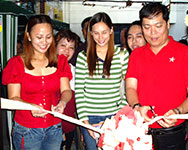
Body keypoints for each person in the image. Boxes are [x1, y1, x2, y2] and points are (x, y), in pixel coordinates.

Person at [125, 2, 188, 150]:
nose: (153, 33)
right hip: (141, 130)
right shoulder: (137, 55)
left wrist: (178, 111)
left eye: (158, 26)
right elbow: (131, 87)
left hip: (172, 132)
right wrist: (137, 107)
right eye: (147, 27)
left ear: (168, 24)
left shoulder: (185, 54)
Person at [2, 15, 72, 150]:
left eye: (48, 37)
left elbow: (66, 91)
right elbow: (13, 98)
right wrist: (29, 106)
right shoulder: (16, 63)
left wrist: (62, 103)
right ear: (28, 36)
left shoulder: (61, 61)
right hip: (27, 130)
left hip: (54, 128)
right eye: (39, 37)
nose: (44, 42)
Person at [75, 12, 129, 150]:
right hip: (90, 117)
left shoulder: (122, 55)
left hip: (115, 116)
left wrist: (119, 117)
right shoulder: (83, 57)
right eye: (96, 33)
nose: (100, 37)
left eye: (104, 32)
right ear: (90, 33)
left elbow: (126, 88)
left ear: (111, 30)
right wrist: (85, 122)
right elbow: (80, 92)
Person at [55, 29, 79, 150]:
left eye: (71, 47)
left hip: (68, 124)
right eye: (63, 45)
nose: (67, 50)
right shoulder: (46, 69)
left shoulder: (76, 71)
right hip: (50, 125)